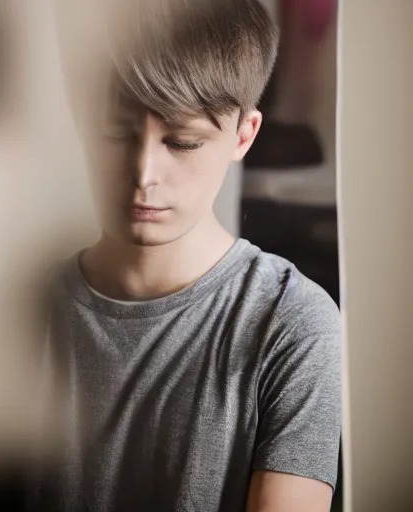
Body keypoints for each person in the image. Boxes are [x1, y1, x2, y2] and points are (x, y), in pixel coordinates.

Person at [30, 0, 342, 511]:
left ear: (244, 135)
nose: (144, 173)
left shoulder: (290, 324)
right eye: (116, 133)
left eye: (182, 142)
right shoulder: (10, 311)